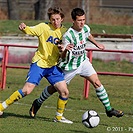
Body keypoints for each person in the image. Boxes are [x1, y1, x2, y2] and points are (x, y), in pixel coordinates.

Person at [29, 7, 124, 124]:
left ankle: (109, 109)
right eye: (79, 20)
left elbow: (88, 35)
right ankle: (38, 102)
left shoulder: (85, 28)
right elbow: (62, 57)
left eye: (83, 19)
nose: (82, 22)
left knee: (97, 82)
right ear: (73, 20)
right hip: (69, 67)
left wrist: (97, 44)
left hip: (83, 62)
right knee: (55, 89)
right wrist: (65, 51)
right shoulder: (67, 36)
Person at [0, 7, 73, 123]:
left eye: (58, 19)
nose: (55, 22)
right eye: (53, 19)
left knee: (64, 91)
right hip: (39, 63)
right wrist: (24, 28)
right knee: (27, 90)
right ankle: (1, 107)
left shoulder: (65, 32)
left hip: (53, 66)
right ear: (50, 20)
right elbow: (30, 30)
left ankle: (58, 117)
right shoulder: (43, 27)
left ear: (62, 19)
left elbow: (65, 50)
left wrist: (64, 49)